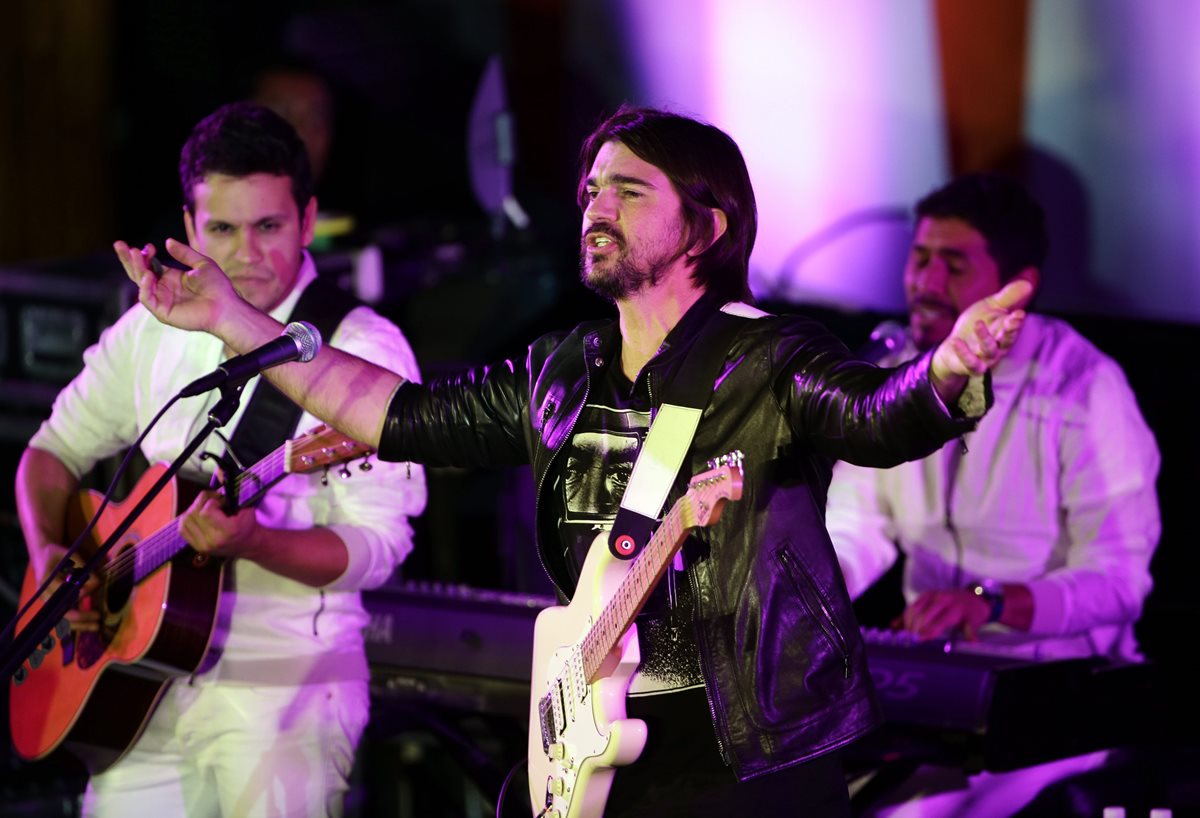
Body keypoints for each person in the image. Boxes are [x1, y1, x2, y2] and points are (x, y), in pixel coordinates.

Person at [114, 106, 1031, 817]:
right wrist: (231, 320)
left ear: (707, 229)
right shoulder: (561, 367)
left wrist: (947, 369)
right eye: (592, 188)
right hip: (597, 737)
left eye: (630, 192)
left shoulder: (771, 360)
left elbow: (878, 416)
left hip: (748, 751)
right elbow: (398, 414)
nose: (596, 206)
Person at [15, 102, 426, 817]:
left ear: (308, 216)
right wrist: (50, 552)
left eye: (269, 226)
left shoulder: (361, 352)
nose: (246, 255)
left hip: (284, 693)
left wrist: (256, 541)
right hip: (133, 685)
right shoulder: (149, 327)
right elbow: (50, 452)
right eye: (223, 230)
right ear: (188, 225)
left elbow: (379, 549)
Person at [825, 173, 1161, 816]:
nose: (925, 282)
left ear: (1017, 289)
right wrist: (811, 593)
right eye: (919, 258)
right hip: (927, 677)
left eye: (953, 266)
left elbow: (1120, 581)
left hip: (1058, 692)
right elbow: (857, 521)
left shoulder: (1085, 387)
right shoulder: (897, 370)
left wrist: (991, 603)